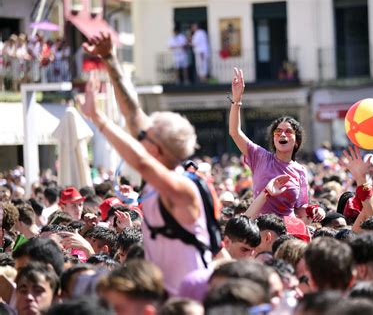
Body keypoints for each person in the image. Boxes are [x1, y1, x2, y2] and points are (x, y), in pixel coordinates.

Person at [82, 33, 210, 296]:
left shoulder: (183, 186)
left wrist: (98, 118)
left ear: (157, 148)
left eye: (146, 134)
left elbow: (139, 159)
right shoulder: (159, 169)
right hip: (161, 293)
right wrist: (110, 59)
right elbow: (132, 113)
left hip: (187, 298)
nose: (139, 134)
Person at [229, 68, 308, 217]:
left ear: (296, 142)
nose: (282, 134)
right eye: (277, 132)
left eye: (288, 132)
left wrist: (316, 211)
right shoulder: (260, 157)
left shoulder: (301, 171)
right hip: (260, 230)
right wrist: (237, 100)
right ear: (273, 139)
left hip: (287, 233)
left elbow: (301, 209)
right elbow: (234, 132)